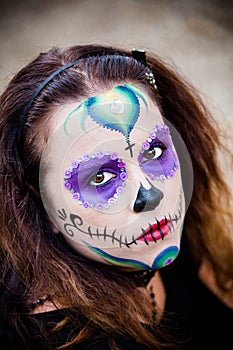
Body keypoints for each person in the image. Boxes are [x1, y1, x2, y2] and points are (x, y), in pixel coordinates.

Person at [0, 44, 232, 350]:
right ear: (43, 205)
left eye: (153, 151)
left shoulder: (171, 238)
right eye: (100, 177)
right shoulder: (56, 340)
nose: (151, 194)